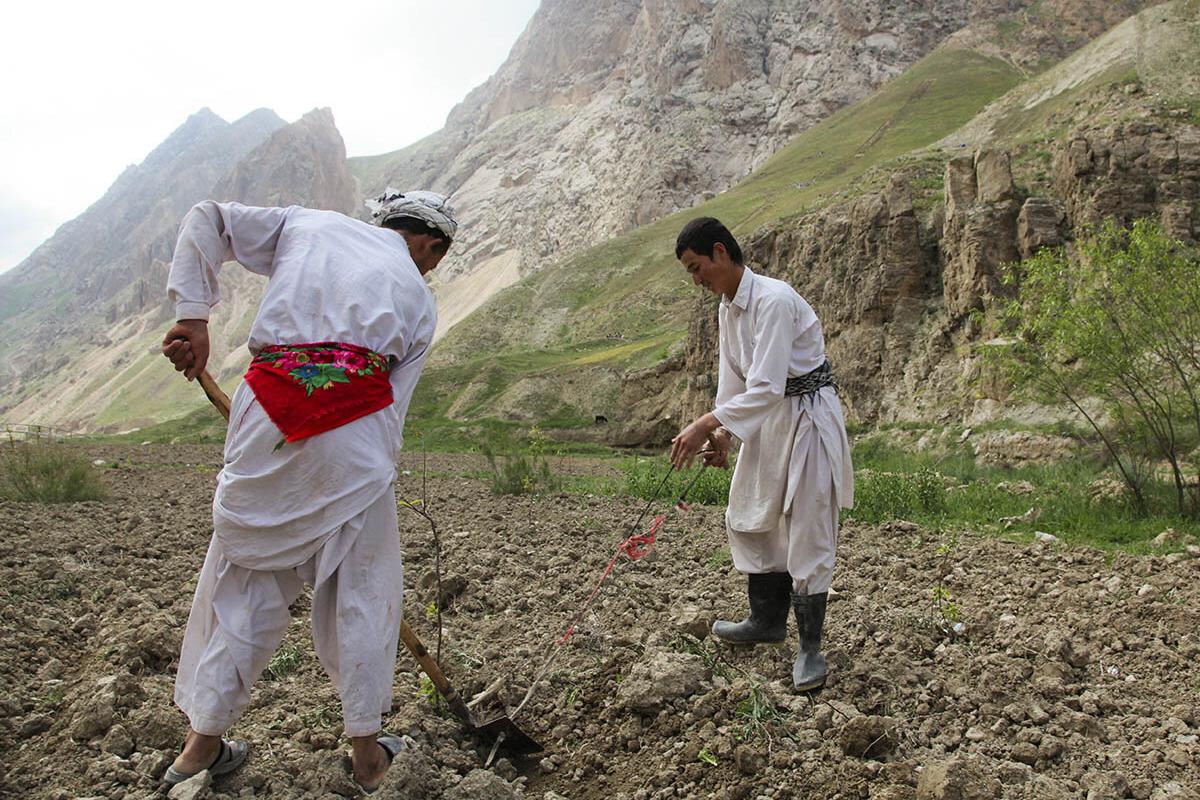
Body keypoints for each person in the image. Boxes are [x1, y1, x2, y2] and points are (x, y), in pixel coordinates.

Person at [159, 188, 456, 791]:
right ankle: (369, 759)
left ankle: (197, 752)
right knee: (364, 590)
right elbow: (393, 406)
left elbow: (208, 217)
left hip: (266, 410)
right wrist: (363, 476)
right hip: (358, 433)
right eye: (433, 260)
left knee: (246, 581)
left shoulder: (308, 224)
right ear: (428, 244)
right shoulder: (418, 299)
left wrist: (194, 316)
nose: (426, 270)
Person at [668, 217, 853, 693]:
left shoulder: (772, 300)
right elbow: (735, 380)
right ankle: (765, 621)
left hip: (808, 417)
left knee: (807, 523)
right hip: (768, 419)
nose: (697, 280)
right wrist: (726, 434)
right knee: (748, 513)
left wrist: (704, 424)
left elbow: (768, 384)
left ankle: (810, 647)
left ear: (720, 252)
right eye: (690, 273)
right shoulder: (728, 309)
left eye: (696, 268)